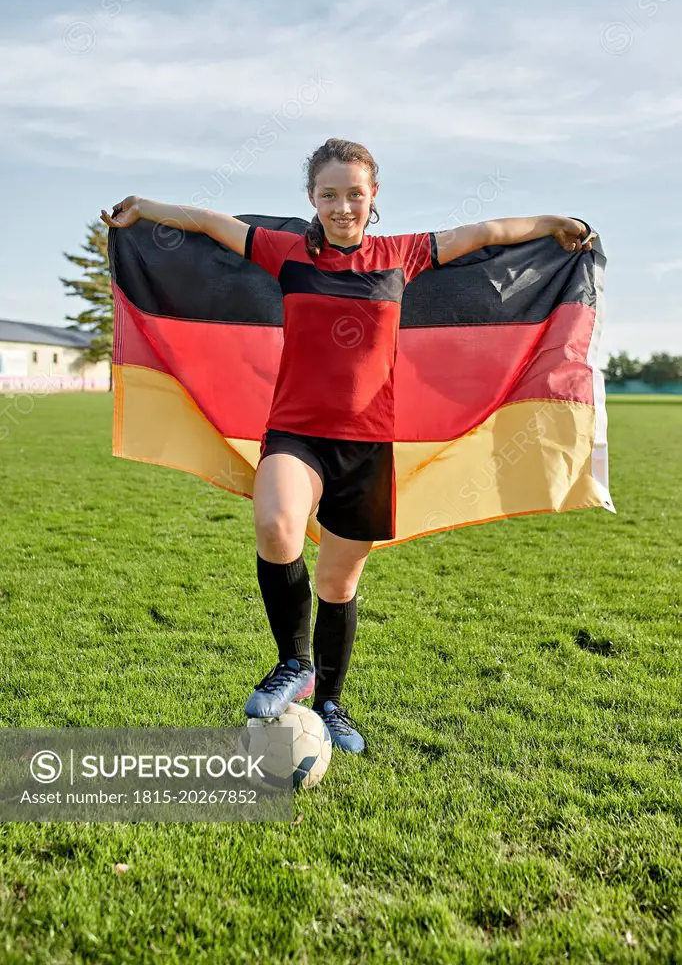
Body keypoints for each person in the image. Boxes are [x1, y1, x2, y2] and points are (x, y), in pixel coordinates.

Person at [102, 137, 593, 755]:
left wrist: (553, 224)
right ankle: (294, 664)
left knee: (337, 585)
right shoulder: (284, 253)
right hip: (295, 432)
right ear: (311, 197)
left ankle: (331, 704)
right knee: (277, 523)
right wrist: (141, 208)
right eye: (329, 194)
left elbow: (488, 231)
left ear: (373, 196)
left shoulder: (402, 255)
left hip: (367, 447)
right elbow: (207, 222)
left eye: (353, 194)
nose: (342, 207)